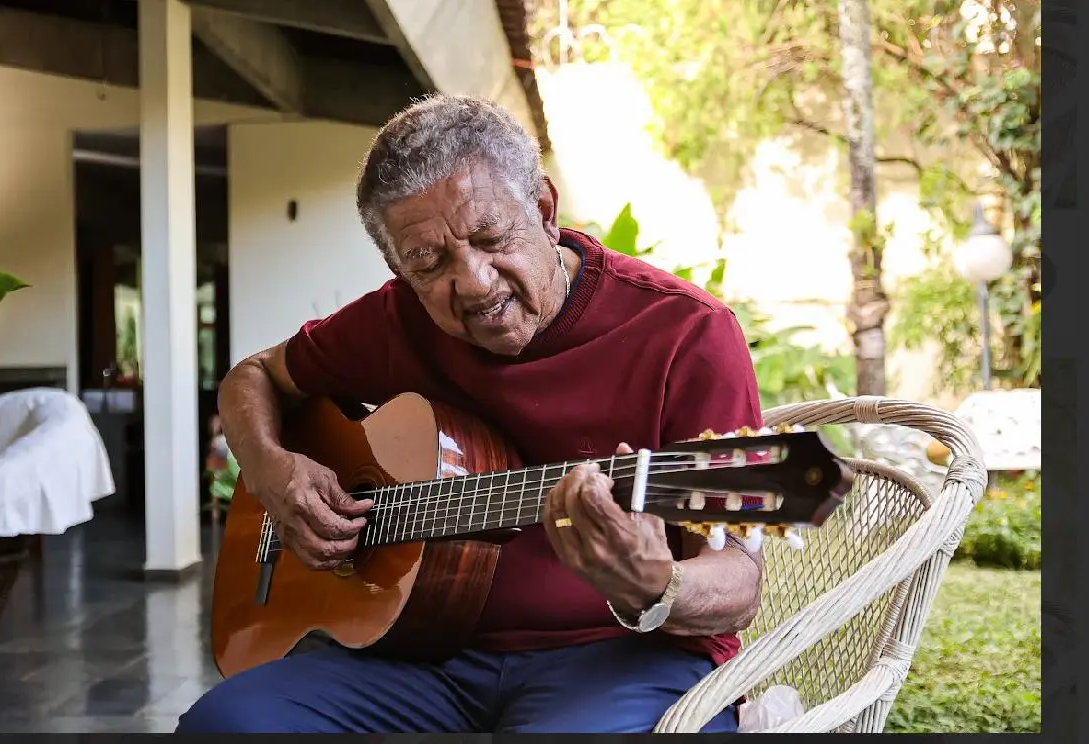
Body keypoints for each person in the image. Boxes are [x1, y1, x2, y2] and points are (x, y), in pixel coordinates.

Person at [178, 94, 764, 734]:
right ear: (399, 268)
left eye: (491, 237)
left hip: (622, 656)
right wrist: (273, 472)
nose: (475, 282)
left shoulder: (685, 334)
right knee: (229, 725)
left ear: (543, 209)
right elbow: (251, 377)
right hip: (421, 658)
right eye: (428, 263)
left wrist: (659, 585)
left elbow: (738, 583)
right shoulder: (395, 320)